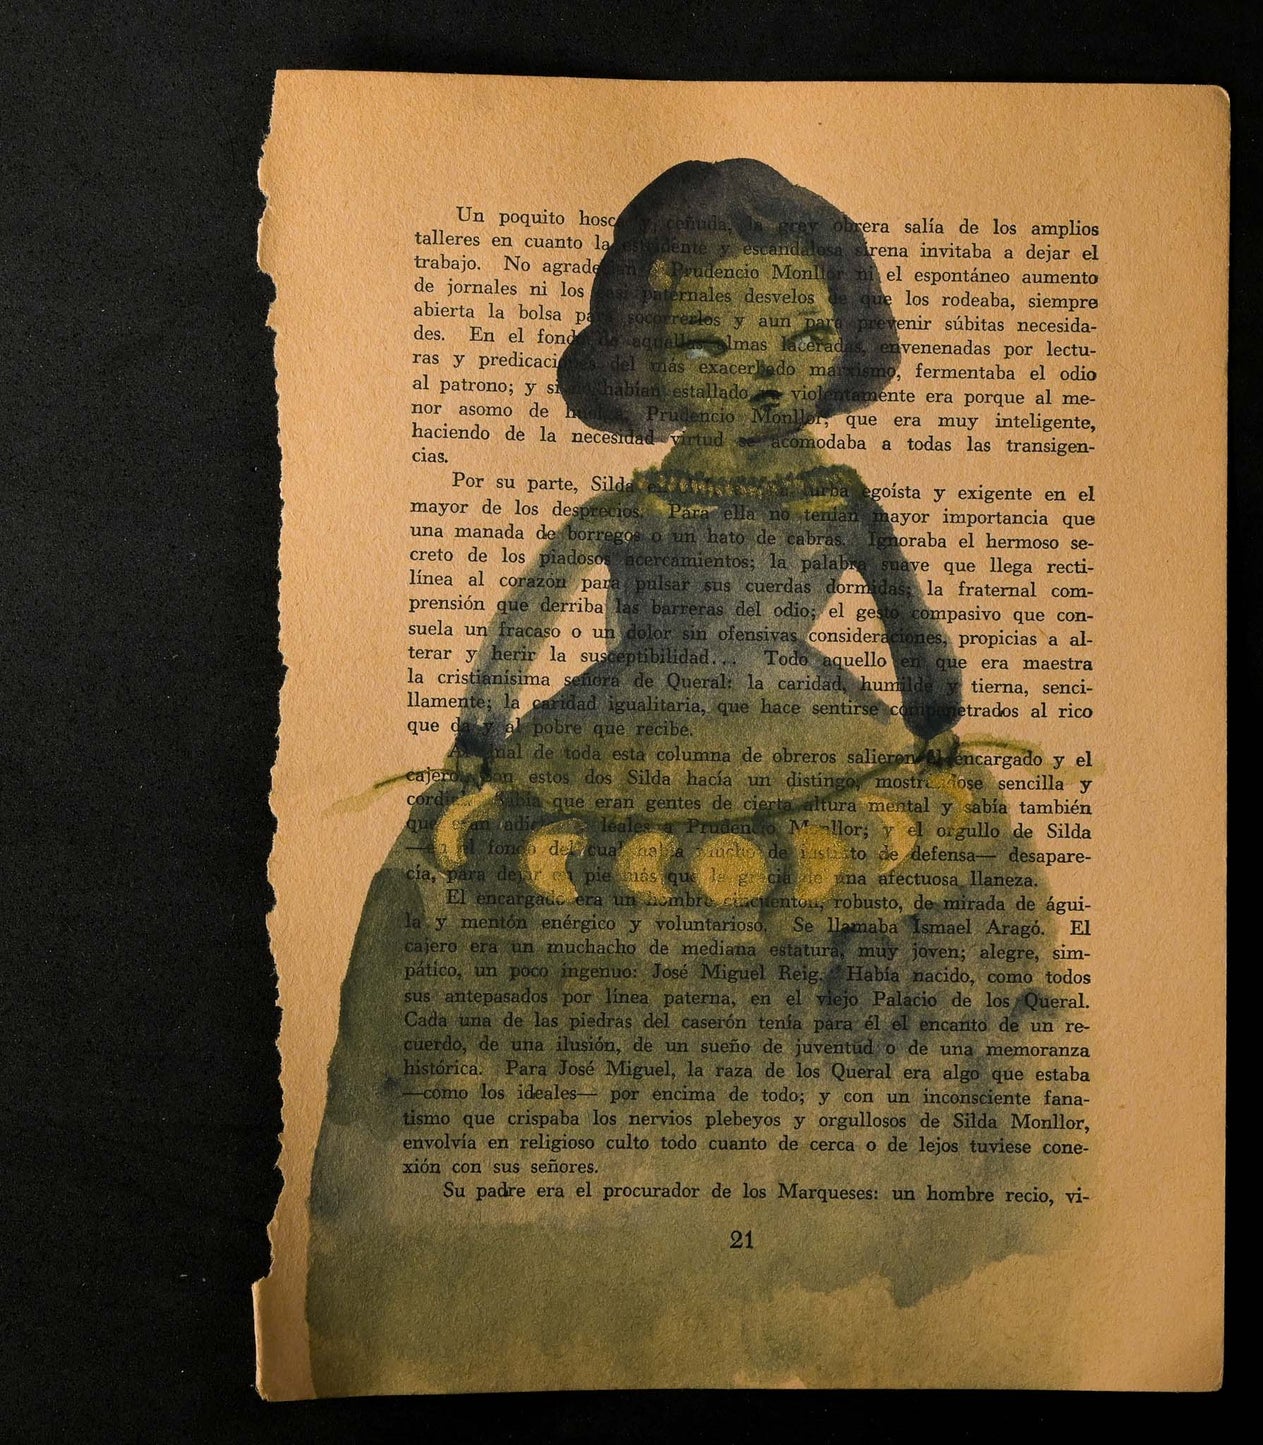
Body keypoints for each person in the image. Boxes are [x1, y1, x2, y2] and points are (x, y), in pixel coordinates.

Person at [307, 160, 1059, 1396]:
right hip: (614, 735)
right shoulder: (627, 510)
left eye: (800, 339)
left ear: (844, 339)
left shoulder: (839, 499)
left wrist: (933, 723)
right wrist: (479, 737)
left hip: (825, 743)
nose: (763, 374)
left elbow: (908, 624)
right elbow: (527, 617)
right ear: (643, 362)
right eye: (710, 345)